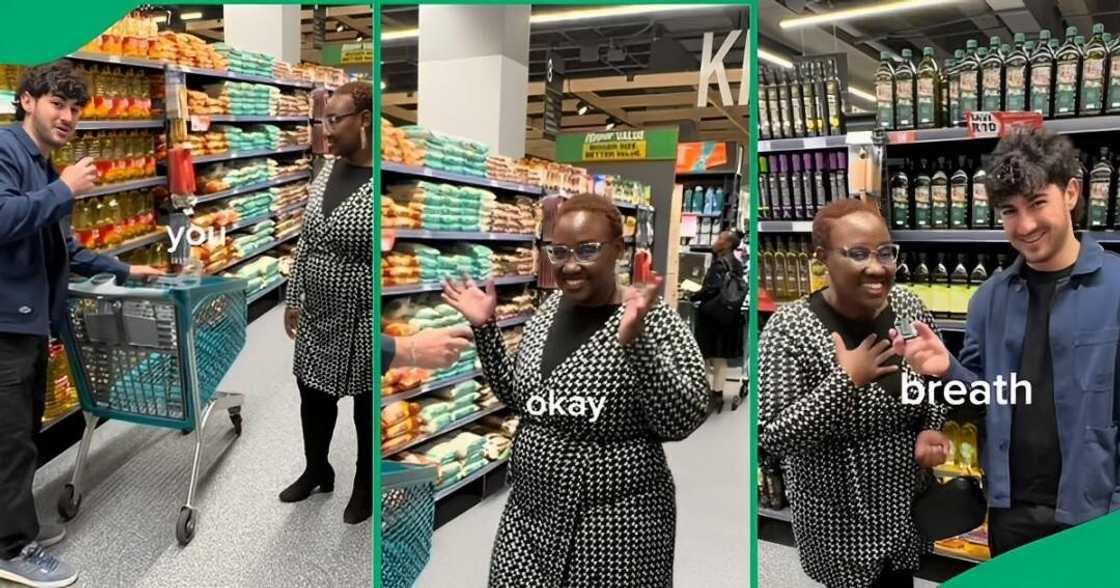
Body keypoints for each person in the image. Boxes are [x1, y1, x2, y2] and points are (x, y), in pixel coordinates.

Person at [441, 193, 709, 587]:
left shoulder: (652, 319)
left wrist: (637, 344)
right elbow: (523, 400)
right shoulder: (549, 311)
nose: (570, 265)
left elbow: (682, 418)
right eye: (559, 251)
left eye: (587, 250)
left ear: (618, 249)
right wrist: (485, 330)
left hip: (617, 523)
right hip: (530, 514)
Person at [893, 128, 1120, 557]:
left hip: (1097, 514)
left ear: (1070, 193)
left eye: (1037, 203)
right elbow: (982, 402)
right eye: (1010, 211)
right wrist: (947, 372)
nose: (1026, 225)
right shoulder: (989, 298)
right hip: (1009, 511)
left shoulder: (1116, 287)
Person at [0, 61, 162, 588]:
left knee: (21, 432)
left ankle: (13, 525)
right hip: (5, 322)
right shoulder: (7, 151)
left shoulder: (45, 166)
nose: (67, 116)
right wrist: (64, 191)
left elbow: (60, 245)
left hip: (28, 322)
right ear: (27, 101)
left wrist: (122, 266)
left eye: (75, 108)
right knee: (9, 440)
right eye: (56, 104)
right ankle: (10, 549)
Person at [758, 199, 949, 588]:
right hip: (837, 527)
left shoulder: (907, 307)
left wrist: (931, 427)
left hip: (905, 510)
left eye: (885, 252)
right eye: (858, 253)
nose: (877, 267)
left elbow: (937, 382)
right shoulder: (790, 328)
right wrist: (845, 381)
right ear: (821, 258)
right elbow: (772, 437)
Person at [280, 81, 375, 524]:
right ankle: (318, 468)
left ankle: (365, 485)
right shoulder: (324, 171)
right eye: (323, 120)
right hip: (317, 308)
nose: (325, 130)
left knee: (364, 404)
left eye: (334, 120)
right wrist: (292, 296)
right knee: (311, 393)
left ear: (365, 121)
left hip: (361, 314)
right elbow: (307, 240)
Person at [691, 229, 746, 410]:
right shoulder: (737, 264)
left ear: (728, 244)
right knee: (720, 358)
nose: (716, 240)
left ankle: (704, 394)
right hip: (728, 315)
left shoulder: (720, 263)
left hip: (712, 316)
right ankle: (718, 395)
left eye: (720, 238)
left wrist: (693, 295)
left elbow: (711, 289)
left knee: (704, 355)